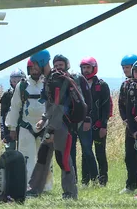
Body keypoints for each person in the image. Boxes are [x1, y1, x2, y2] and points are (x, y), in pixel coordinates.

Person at [26, 49, 78, 200]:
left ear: (42, 62)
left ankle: (70, 193)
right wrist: (43, 118)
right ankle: (34, 189)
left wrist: (52, 132)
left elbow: (59, 107)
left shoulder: (55, 80)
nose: (33, 67)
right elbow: (50, 105)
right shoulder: (49, 79)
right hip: (53, 123)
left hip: (61, 125)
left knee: (63, 159)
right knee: (43, 155)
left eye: (35, 64)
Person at [5, 59, 53, 191]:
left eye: (37, 68)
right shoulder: (22, 85)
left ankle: (46, 187)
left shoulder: (48, 84)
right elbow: (15, 107)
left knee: (45, 158)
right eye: (32, 68)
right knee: (26, 159)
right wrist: (12, 128)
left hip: (45, 126)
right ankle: (27, 186)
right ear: (28, 70)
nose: (34, 70)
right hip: (26, 126)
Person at [52, 54, 98, 186]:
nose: (58, 68)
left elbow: (88, 98)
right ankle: (74, 181)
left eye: (60, 65)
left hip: (82, 120)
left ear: (67, 65)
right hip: (66, 122)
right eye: (55, 66)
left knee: (87, 151)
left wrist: (88, 118)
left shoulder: (78, 78)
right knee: (69, 153)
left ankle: (94, 180)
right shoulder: (54, 80)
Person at [80, 57, 111, 187]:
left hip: (99, 126)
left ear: (94, 68)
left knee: (100, 153)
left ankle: (102, 180)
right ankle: (85, 181)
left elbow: (107, 106)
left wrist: (103, 125)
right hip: (84, 126)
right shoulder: (78, 84)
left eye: (88, 67)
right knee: (85, 153)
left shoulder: (102, 85)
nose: (86, 70)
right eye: (83, 68)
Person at [118, 54, 137, 193]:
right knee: (129, 157)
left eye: (128, 67)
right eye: (124, 67)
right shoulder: (125, 85)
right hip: (130, 127)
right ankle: (131, 185)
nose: (126, 70)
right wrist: (125, 119)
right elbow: (121, 104)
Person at [0, 69, 25, 150]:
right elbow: (2, 115)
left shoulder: (28, 94)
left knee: (24, 152)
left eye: (18, 81)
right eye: (14, 81)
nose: (16, 83)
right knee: (10, 153)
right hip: (9, 129)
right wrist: (3, 133)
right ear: (10, 81)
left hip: (24, 128)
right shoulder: (7, 95)